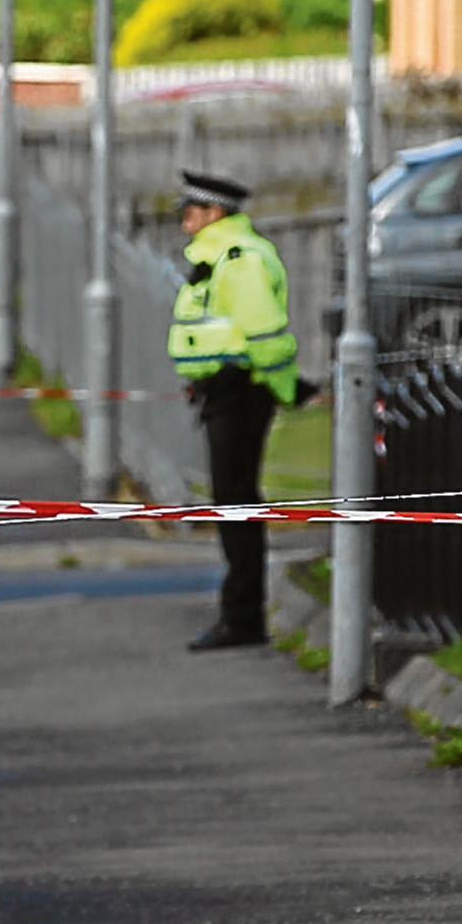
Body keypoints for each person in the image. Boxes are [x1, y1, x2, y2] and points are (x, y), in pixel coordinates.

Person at [167, 169, 298, 650]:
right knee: (232, 503)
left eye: (191, 214)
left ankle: (243, 616)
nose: (185, 225)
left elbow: (264, 334)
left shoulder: (237, 258)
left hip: (240, 391)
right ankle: (241, 613)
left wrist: (280, 386)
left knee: (237, 505)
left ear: (215, 213)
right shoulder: (221, 255)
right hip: (226, 390)